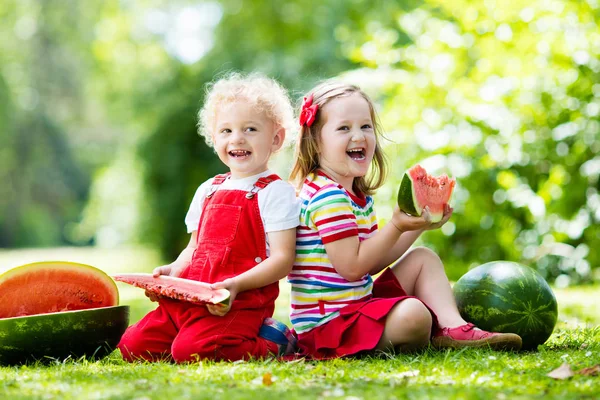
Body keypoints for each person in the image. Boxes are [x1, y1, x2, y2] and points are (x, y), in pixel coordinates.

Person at [287, 81, 522, 359]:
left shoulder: (349, 193)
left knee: (423, 258)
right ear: (315, 140)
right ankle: (427, 329)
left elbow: (370, 263)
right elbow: (353, 268)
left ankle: (454, 329)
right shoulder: (329, 198)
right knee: (414, 315)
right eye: (344, 128)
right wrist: (396, 226)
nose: (358, 136)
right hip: (330, 329)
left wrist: (416, 226)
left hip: (356, 307)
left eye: (365, 126)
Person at [118, 73, 300, 363]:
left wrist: (236, 285)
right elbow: (194, 248)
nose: (237, 138)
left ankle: (274, 342)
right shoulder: (209, 189)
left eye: (250, 129)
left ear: (276, 138)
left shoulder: (276, 192)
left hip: (237, 304)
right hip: (186, 302)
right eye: (226, 130)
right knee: (132, 346)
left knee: (192, 351)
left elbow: (282, 260)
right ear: (214, 137)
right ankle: (189, 331)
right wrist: (173, 272)